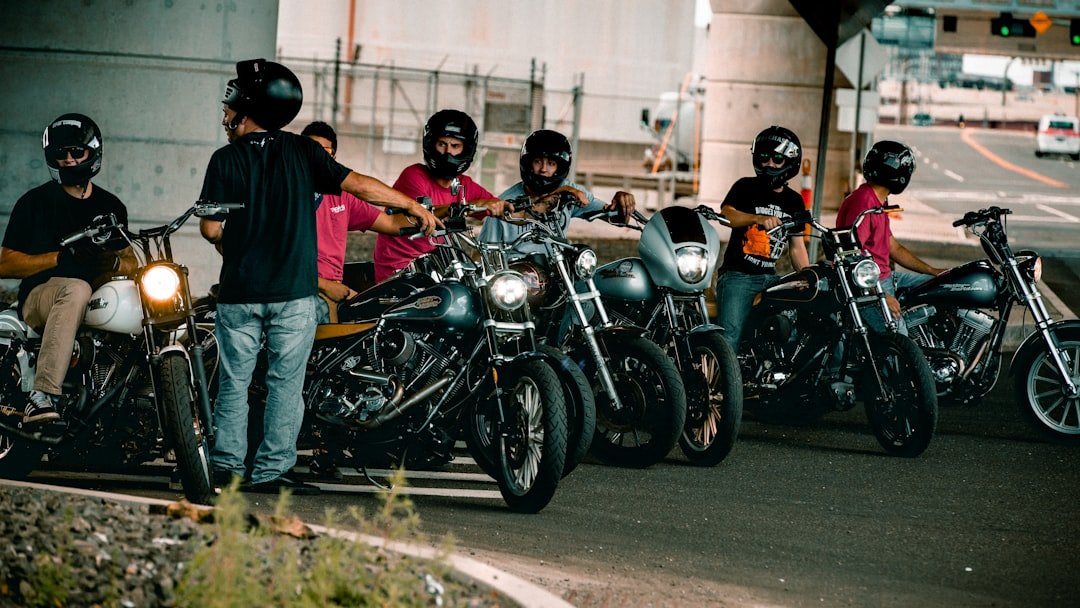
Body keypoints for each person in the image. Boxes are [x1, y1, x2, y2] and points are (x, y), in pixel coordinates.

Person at [199, 58, 436, 495]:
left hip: (239, 292)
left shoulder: (224, 159)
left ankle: (226, 467)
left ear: (247, 108)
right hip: (293, 293)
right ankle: (272, 471)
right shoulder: (302, 151)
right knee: (286, 384)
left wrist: (238, 246)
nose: (227, 115)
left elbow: (211, 228)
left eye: (232, 107)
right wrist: (413, 205)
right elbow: (360, 184)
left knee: (234, 381)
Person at [0, 113, 136, 424]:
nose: (70, 160)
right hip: (41, 296)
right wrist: (59, 259)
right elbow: (5, 262)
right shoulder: (35, 203)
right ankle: (42, 394)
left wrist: (114, 262)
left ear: (92, 153)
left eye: (77, 152)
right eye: (61, 154)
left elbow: (130, 259)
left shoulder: (111, 207)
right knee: (77, 287)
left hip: (93, 300)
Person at [299, 121, 416, 325]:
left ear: (333, 157)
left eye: (323, 151)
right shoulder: (286, 193)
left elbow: (390, 223)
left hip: (331, 291)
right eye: (309, 150)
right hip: (304, 289)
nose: (316, 157)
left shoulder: (343, 196)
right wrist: (325, 286)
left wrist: (434, 214)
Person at [372, 109, 508, 282]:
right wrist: (465, 206)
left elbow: (499, 207)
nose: (448, 152)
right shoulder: (414, 176)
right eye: (442, 144)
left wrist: (516, 207)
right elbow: (423, 214)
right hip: (401, 271)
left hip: (440, 269)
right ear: (431, 144)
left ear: (466, 149)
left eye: (455, 146)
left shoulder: (463, 184)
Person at [713, 125, 811, 352]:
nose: (770, 164)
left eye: (777, 159)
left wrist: (807, 276)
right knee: (730, 337)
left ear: (790, 162)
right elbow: (726, 215)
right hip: (738, 276)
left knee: (792, 328)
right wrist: (756, 217)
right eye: (765, 158)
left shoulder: (795, 201)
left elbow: (796, 247)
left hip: (770, 277)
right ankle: (717, 386)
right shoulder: (745, 187)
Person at [835, 140, 943, 332]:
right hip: (871, 285)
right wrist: (882, 294)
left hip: (886, 277)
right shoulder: (864, 202)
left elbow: (893, 247)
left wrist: (932, 271)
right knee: (900, 343)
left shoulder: (878, 201)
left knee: (945, 288)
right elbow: (853, 257)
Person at [477, 128, 635, 256]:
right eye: (538, 161)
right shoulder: (504, 204)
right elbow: (485, 254)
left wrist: (622, 202)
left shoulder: (571, 194)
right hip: (517, 283)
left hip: (556, 272)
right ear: (528, 164)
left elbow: (614, 217)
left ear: (559, 167)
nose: (544, 169)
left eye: (551, 163)